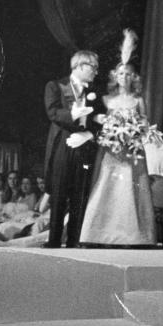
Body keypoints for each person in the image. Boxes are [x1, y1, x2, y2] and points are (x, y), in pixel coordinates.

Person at [81, 33, 157, 246]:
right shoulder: (107, 99)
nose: (124, 76)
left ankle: (132, 237)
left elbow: (145, 124)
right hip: (111, 152)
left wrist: (134, 132)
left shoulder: (138, 100)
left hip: (132, 152)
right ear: (115, 75)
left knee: (131, 190)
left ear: (134, 78)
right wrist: (108, 127)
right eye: (121, 72)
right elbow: (97, 121)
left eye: (128, 73)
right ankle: (98, 235)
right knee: (107, 187)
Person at [44, 50, 105, 247]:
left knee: (80, 192)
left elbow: (99, 120)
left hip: (84, 146)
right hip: (63, 143)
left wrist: (90, 133)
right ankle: (53, 241)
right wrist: (73, 113)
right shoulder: (56, 86)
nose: (96, 71)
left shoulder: (94, 92)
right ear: (79, 66)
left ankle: (74, 241)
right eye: (92, 67)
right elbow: (53, 112)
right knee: (60, 192)